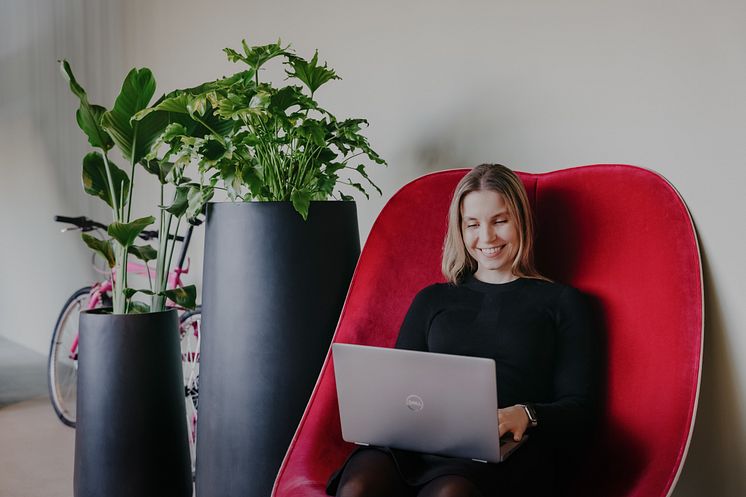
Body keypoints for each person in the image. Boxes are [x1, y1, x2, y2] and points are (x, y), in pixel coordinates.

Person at [327, 164, 598, 497]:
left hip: (500, 454)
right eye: (473, 224)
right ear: (460, 228)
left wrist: (527, 414)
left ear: (521, 221)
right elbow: (397, 390)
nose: (486, 238)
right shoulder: (432, 299)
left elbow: (581, 409)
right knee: (358, 486)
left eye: (500, 221)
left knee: (450, 494)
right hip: (416, 442)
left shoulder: (562, 302)